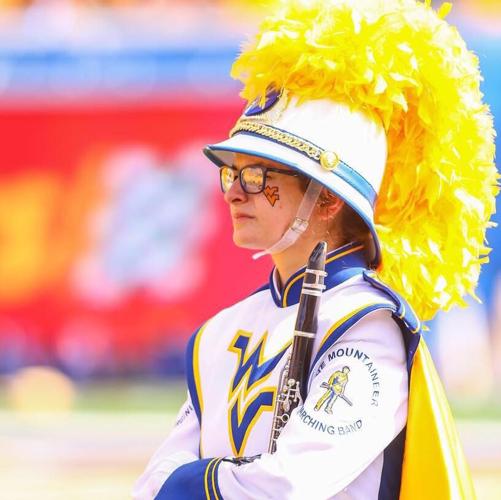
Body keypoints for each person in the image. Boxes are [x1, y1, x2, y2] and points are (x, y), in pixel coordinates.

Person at [133, 0, 499, 498]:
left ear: (326, 198)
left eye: (259, 175)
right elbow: (154, 482)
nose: (235, 191)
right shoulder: (220, 332)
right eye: (231, 173)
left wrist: (203, 479)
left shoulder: (369, 326)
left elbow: (289, 485)